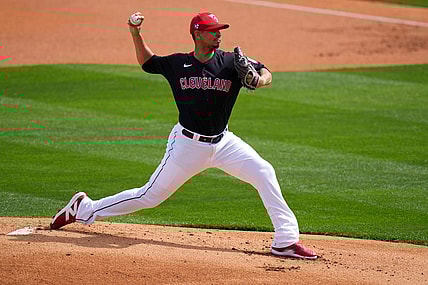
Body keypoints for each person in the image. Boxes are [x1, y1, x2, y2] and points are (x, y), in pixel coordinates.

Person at [50, 12, 317, 259]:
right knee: (149, 196)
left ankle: (285, 240)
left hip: (224, 143)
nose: (218, 34)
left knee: (264, 172)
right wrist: (135, 33)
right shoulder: (179, 64)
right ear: (197, 34)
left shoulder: (230, 62)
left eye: (219, 30)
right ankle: (84, 208)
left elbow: (265, 70)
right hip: (187, 145)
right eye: (212, 30)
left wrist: (260, 80)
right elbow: (148, 62)